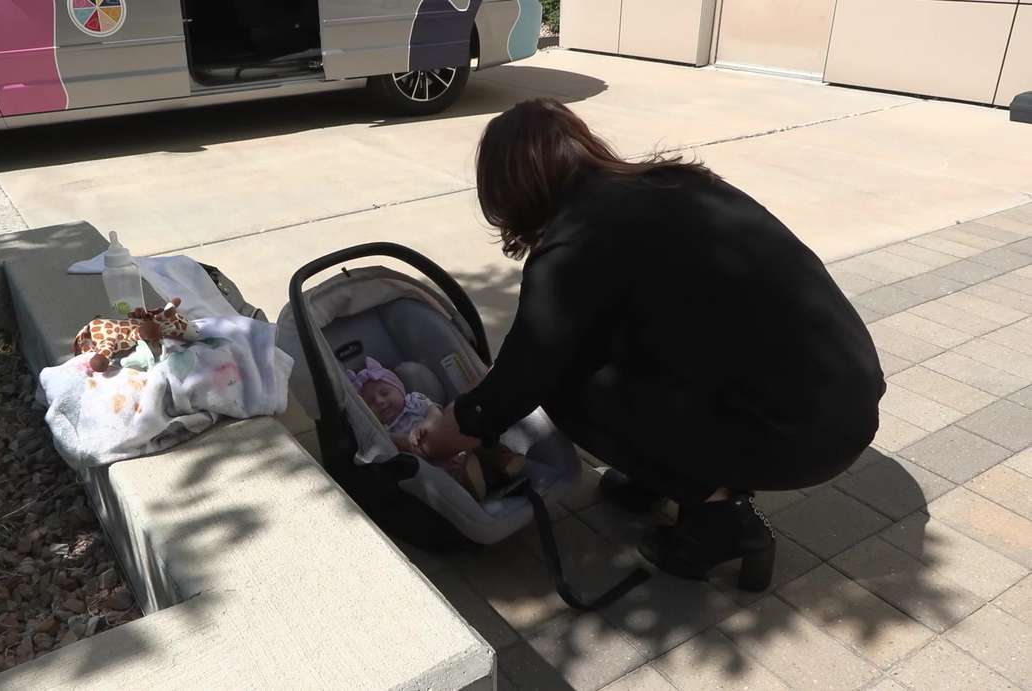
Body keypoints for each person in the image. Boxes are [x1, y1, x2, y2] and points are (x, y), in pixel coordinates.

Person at [413, 98, 884, 591]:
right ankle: (664, 476)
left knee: (566, 388)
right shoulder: (678, 184)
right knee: (614, 346)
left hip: (803, 434)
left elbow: (525, 375)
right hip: (849, 390)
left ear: (511, 191)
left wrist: (454, 428)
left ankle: (719, 522)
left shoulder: (575, 245)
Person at [349, 357, 525, 500]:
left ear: (399, 389)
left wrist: (428, 423)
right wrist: (406, 440)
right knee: (445, 475)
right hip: (431, 459)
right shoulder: (384, 429)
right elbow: (396, 445)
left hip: (447, 437)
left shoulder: (414, 400)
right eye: (370, 402)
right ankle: (471, 481)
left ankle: (502, 461)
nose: (379, 401)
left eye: (385, 393)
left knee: (475, 436)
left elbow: (434, 410)